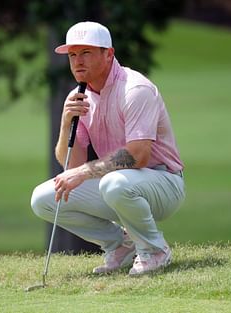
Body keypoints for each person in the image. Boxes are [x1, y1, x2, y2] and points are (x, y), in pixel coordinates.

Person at [31, 21, 185, 276]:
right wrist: (66, 121)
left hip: (164, 183)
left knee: (113, 183)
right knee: (44, 199)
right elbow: (72, 165)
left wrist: (81, 173)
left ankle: (154, 250)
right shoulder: (80, 97)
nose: (77, 61)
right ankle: (121, 245)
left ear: (108, 54)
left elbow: (138, 155)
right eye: (72, 55)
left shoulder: (135, 89)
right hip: (117, 183)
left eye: (86, 53)